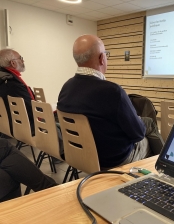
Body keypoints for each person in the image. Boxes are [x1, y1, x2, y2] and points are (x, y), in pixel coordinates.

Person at [57, 35, 164, 168]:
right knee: (148, 126)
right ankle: (166, 167)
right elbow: (137, 134)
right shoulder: (112, 91)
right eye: (106, 54)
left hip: (80, 155)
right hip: (114, 160)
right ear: (102, 58)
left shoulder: (66, 87)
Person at [0, 49, 35, 134]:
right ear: (13, 63)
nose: (23, 60)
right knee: (56, 124)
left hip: (6, 125)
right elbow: (30, 110)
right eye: (20, 58)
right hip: (22, 127)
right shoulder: (13, 84)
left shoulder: (4, 79)